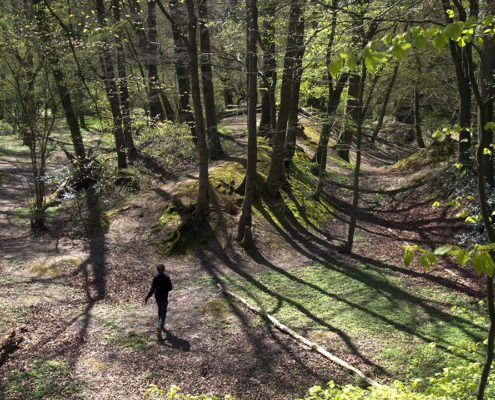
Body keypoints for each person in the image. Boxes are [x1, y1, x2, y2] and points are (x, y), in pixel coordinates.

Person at [145, 264, 173, 341]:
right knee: (163, 312)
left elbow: (152, 289)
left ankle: (161, 325)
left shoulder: (155, 278)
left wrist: (147, 297)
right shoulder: (166, 278)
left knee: (160, 310)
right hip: (164, 297)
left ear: (157, 270)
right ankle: (160, 326)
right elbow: (170, 288)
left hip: (158, 298)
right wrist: (165, 288)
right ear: (164, 270)